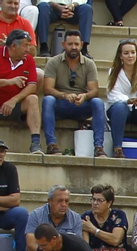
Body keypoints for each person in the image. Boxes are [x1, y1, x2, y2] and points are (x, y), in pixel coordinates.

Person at [39, 29, 103, 157]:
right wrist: (64, 95)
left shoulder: (89, 64)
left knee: (98, 102)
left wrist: (85, 96)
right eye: (70, 44)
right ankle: (51, 145)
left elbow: (94, 90)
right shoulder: (53, 62)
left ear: (82, 45)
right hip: (61, 104)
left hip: (81, 105)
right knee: (48, 100)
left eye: (76, 44)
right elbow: (47, 89)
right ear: (63, 44)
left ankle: (99, 147)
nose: (73, 47)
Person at [0, 29, 40, 156]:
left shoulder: (29, 60)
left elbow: (32, 86)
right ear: (13, 46)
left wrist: (13, 101)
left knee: (33, 99)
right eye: (25, 45)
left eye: (29, 45)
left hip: (14, 105)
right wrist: (9, 82)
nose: (28, 49)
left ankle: (35, 143)